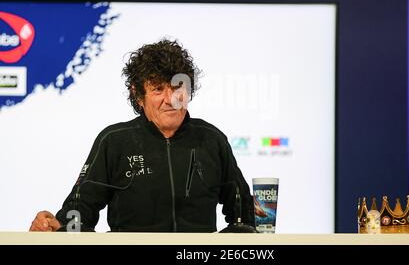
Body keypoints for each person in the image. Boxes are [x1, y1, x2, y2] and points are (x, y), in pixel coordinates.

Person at [29, 39, 254, 232]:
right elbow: (79, 209)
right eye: (158, 89)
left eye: (178, 88)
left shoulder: (212, 140)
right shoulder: (114, 140)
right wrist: (55, 226)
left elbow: (243, 215)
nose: (170, 99)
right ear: (138, 96)